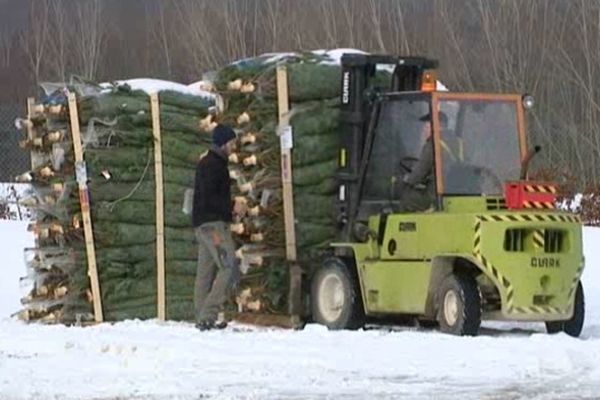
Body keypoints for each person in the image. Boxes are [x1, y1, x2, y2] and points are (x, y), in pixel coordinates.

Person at [192, 124, 246, 330]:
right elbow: (211, 198)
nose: (233, 146)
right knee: (229, 264)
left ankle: (201, 317)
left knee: (205, 271)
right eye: (231, 142)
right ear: (223, 143)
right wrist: (232, 206)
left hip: (203, 224)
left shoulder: (210, 163)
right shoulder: (213, 166)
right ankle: (209, 313)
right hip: (212, 226)